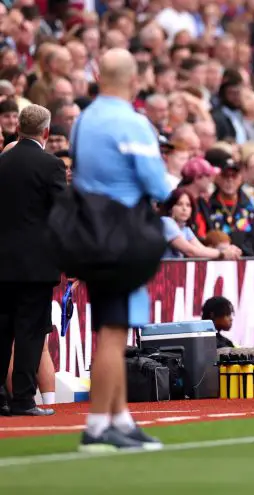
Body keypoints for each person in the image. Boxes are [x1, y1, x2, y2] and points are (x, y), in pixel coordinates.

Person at [72, 48, 170, 452]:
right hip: (123, 231)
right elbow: (158, 185)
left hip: (89, 230)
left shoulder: (82, 120)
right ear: (133, 82)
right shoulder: (132, 123)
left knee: (109, 327)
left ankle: (119, 418)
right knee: (113, 333)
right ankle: (98, 426)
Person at [0, 104, 66, 417]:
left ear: (18, 128)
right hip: (35, 267)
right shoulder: (50, 165)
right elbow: (62, 215)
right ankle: (23, 400)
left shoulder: (2, 162)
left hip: (2, 264)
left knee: (1, 331)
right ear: (46, 132)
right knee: (28, 334)